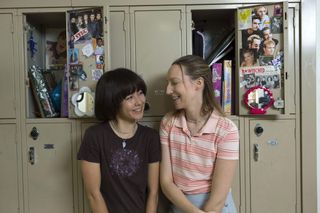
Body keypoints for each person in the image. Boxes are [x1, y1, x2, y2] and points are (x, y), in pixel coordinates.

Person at [160, 55, 239, 213]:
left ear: (198, 83)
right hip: (181, 206)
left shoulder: (226, 129)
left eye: (174, 83)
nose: (168, 90)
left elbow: (218, 199)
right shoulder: (169, 123)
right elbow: (166, 182)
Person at [77, 68, 161, 213]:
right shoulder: (94, 136)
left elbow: (153, 193)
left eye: (140, 93)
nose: (139, 102)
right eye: (129, 98)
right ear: (113, 101)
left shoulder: (150, 137)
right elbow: (93, 194)